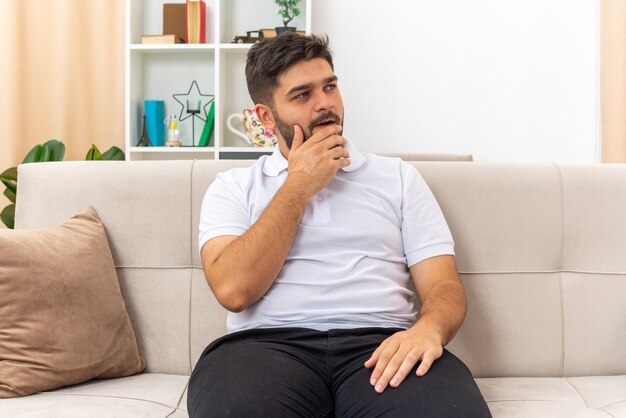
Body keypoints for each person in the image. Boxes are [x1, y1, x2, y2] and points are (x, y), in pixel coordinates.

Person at [189, 33, 491, 417]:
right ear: (266, 116)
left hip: (382, 345)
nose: (325, 104)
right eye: (303, 95)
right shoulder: (233, 187)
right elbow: (233, 290)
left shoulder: (398, 178)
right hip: (264, 348)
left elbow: (444, 285)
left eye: (330, 86)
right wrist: (298, 185)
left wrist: (428, 330)